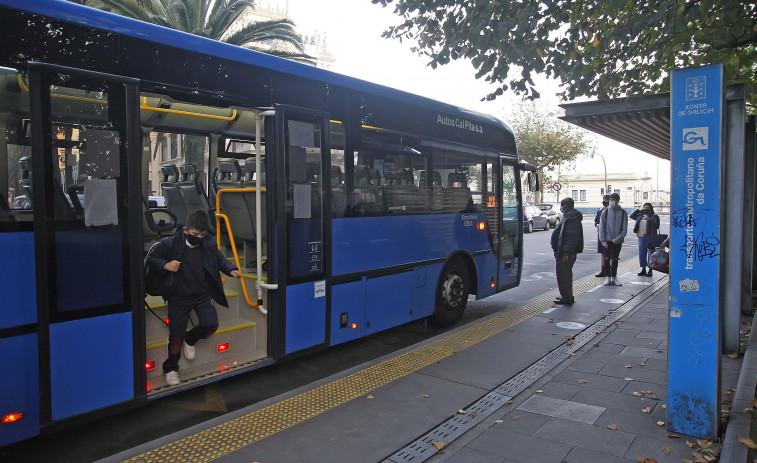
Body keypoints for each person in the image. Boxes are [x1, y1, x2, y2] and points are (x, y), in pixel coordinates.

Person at [146, 209, 242, 386]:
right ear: (185, 230)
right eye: (195, 234)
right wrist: (166, 265)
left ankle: (190, 339)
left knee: (211, 325)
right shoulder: (170, 244)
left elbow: (219, 259)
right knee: (176, 336)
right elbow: (151, 259)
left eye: (202, 234)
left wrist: (231, 269)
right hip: (178, 296)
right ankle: (171, 368)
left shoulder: (208, 243)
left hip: (202, 294)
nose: (198, 237)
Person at [550, 197, 584, 305]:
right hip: (561, 251)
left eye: (562, 205)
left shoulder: (572, 219)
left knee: (564, 275)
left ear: (566, 206)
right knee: (563, 275)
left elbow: (571, 237)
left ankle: (567, 297)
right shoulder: (568, 217)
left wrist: (566, 253)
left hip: (565, 253)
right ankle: (566, 294)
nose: (561, 207)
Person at [598, 193, 628, 286]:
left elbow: (624, 229)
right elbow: (602, 227)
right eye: (611, 199)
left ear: (618, 200)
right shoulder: (605, 212)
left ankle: (614, 277)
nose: (612, 201)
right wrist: (603, 241)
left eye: (614, 199)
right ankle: (607, 277)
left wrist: (619, 238)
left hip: (617, 240)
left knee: (615, 258)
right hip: (607, 240)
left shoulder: (623, 213)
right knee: (607, 258)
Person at [630, 202, 660, 276]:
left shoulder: (654, 216)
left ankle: (650, 269)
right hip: (640, 236)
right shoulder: (640, 216)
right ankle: (643, 268)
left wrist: (649, 220)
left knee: (650, 253)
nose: (646, 209)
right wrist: (639, 210)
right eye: (644, 207)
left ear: (651, 209)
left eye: (648, 208)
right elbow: (631, 216)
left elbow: (656, 226)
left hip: (650, 237)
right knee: (642, 253)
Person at [594, 194, 610, 277]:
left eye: (607, 200)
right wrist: (597, 225)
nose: (605, 201)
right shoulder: (600, 210)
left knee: (609, 253)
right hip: (600, 233)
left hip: (609, 234)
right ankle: (603, 270)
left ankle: (609, 270)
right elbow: (596, 221)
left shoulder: (611, 211)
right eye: (604, 199)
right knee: (602, 253)